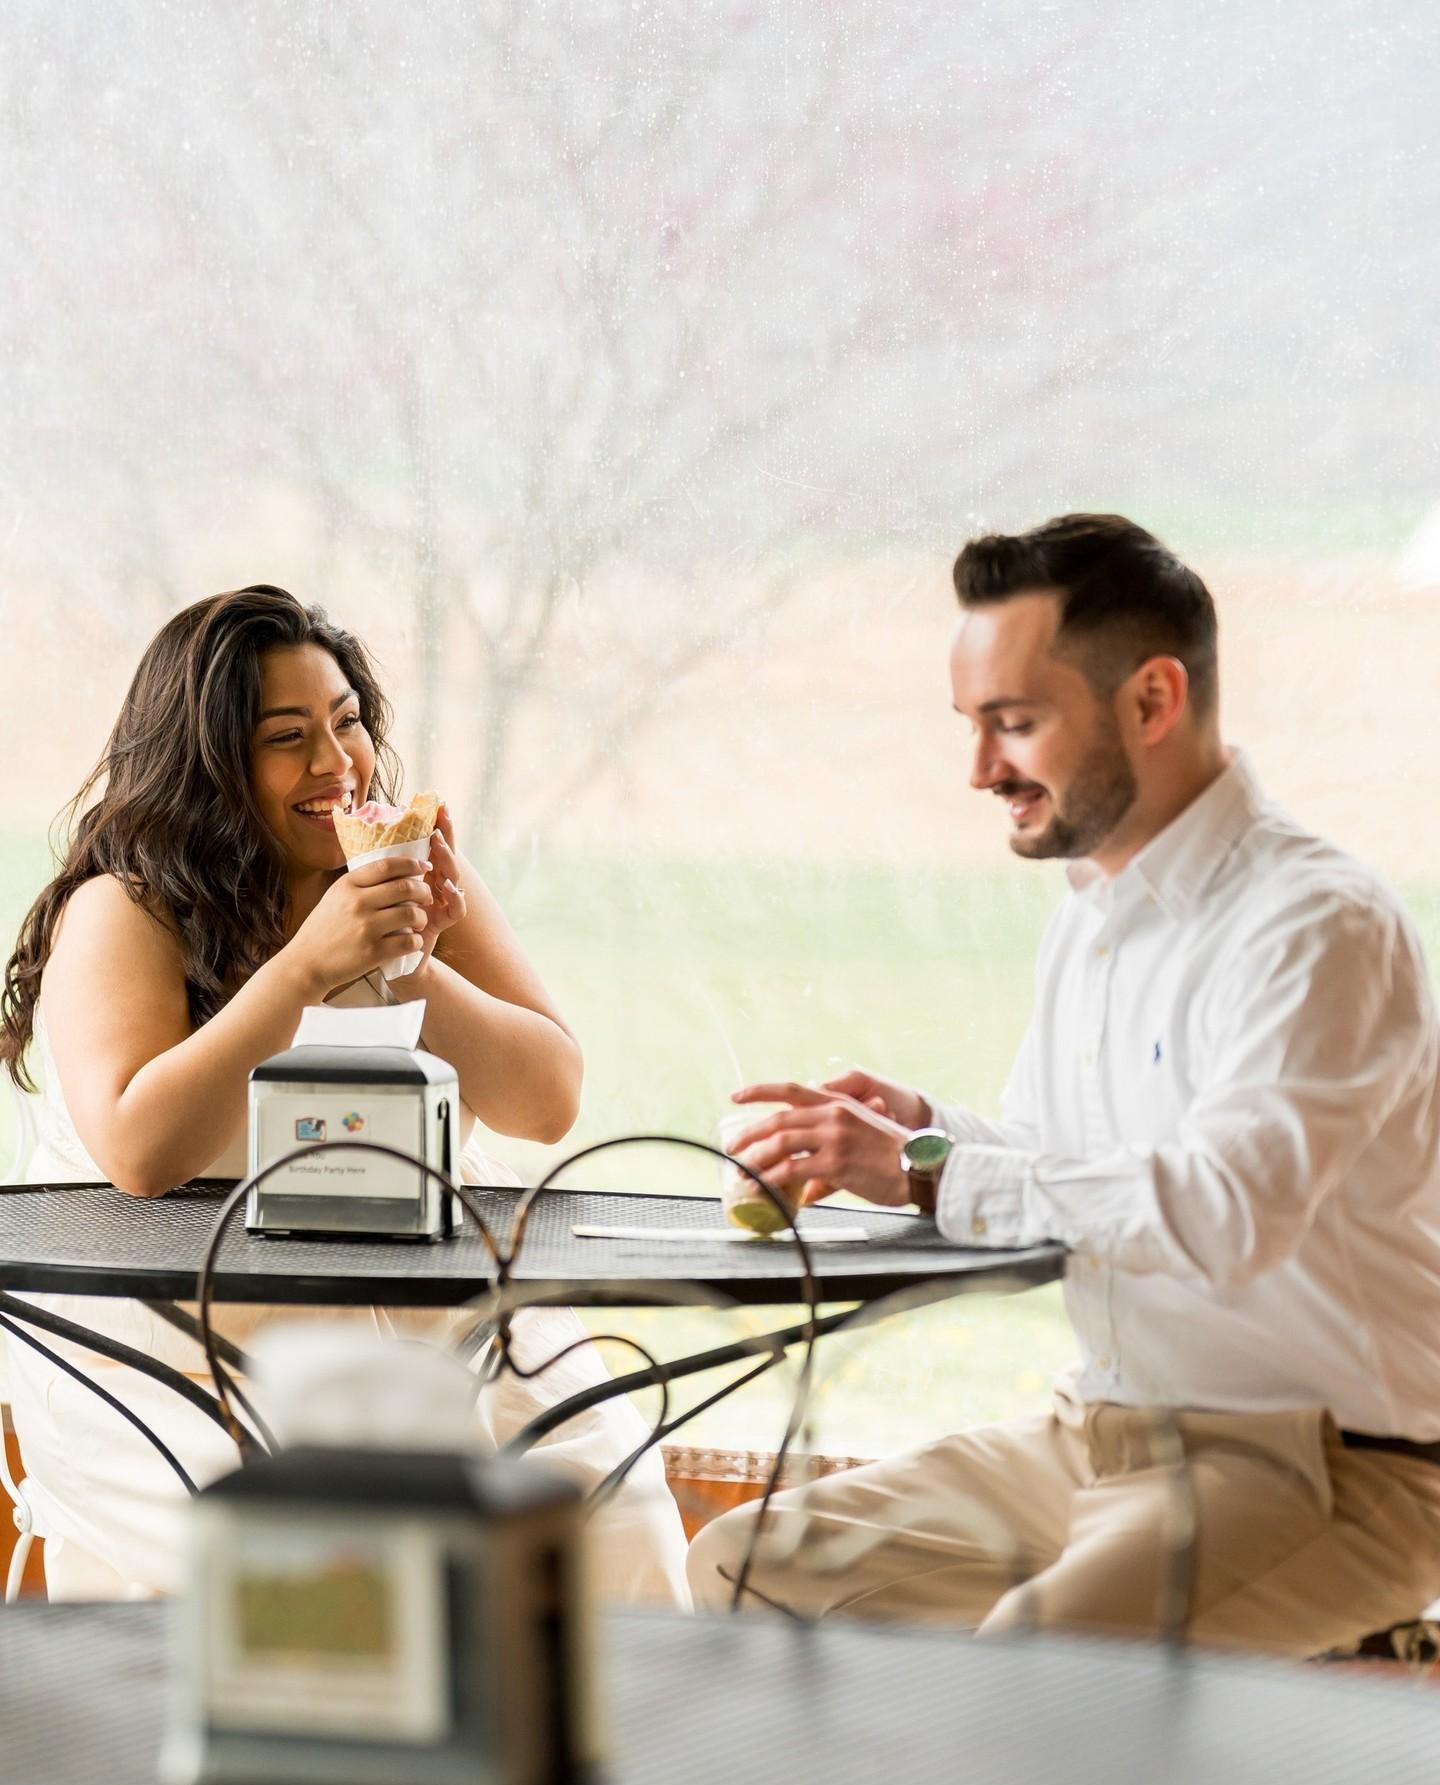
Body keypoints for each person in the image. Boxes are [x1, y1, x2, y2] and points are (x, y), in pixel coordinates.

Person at [689, 514, 1440, 1656]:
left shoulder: (1316, 925)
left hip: (1329, 1466)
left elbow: (1225, 1212)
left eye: (1016, 723)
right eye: (974, 725)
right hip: (1096, 1436)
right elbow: (1060, 1163)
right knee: (748, 1569)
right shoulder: (1093, 914)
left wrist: (934, 1172)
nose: (982, 769)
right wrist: (925, 1133)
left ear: (1151, 701)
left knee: (1034, 1672)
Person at [0, 584, 689, 1605]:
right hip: (178, 1335)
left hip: (425, 1294)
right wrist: (304, 969)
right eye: (289, 737)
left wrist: (409, 962)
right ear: (207, 764)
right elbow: (141, 1151)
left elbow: (548, 1099)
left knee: (607, 1504)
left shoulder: (397, 864)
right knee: (321, 1565)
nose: (338, 763)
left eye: (348, 720)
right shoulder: (127, 907)